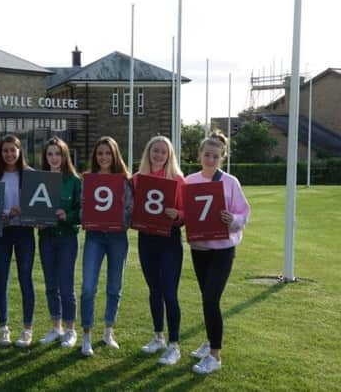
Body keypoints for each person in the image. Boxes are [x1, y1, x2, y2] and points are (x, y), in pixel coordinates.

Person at [186, 133, 250, 375]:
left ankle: (215, 356)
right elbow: (186, 211)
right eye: (206, 154)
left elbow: (243, 214)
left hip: (223, 250)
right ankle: (210, 340)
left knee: (211, 298)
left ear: (221, 157)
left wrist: (232, 219)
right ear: (200, 155)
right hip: (200, 249)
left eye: (215, 155)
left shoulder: (230, 182)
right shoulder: (190, 180)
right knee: (207, 298)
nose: (210, 159)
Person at [133, 136, 185, 365]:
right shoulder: (137, 179)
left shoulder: (177, 179)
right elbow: (128, 207)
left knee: (170, 293)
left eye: (164, 152)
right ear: (148, 152)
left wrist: (178, 215)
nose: (159, 155)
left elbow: (186, 212)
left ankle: (174, 345)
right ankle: (158, 337)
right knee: (154, 290)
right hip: (146, 240)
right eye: (155, 150)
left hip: (169, 240)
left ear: (169, 155)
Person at [80, 136, 133, 357]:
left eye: (108, 153)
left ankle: (108, 330)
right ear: (95, 156)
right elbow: (82, 207)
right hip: (94, 236)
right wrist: (87, 218)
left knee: (114, 287)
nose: (103, 157)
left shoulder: (124, 181)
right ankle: (86, 335)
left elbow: (130, 209)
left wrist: (121, 220)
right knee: (88, 287)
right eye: (100, 153)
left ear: (115, 155)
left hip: (117, 237)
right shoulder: (88, 180)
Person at [0, 134, 36, 348]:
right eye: (5, 150)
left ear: (20, 151)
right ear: (1, 153)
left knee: (25, 280)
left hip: (24, 232)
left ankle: (27, 329)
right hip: (2, 234)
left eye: (13, 150)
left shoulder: (30, 175)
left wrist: (24, 210)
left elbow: (39, 206)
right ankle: (3, 328)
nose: (9, 154)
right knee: (2, 280)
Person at [37, 137, 81, 348]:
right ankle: (56, 327)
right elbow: (33, 208)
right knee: (50, 285)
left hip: (67, 239)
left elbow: (82, 212)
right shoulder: (39, 180)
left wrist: (68, 215)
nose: (54, 158)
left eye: (57, 153)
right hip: (46, 239)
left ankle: (71, 330)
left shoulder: (74, 180)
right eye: (50, 154)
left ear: (65, 156)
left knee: (66, 286)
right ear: (45, 157)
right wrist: (36, 221)